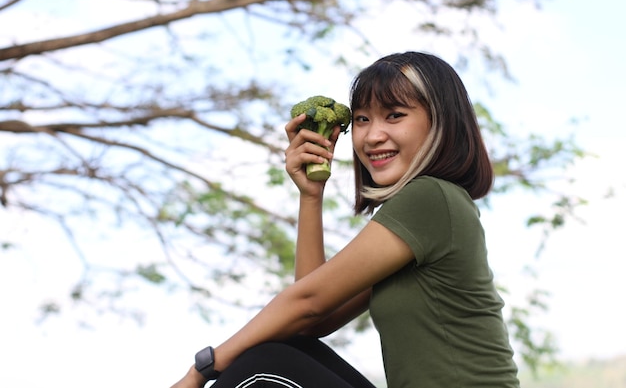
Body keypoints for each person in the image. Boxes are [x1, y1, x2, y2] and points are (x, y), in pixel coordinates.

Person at [170, 51, 520, 388]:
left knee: (261, 366)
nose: (371, 136)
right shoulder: (431, 207)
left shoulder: (430, 197)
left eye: (395, 115)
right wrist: (311, 196)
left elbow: (308, 303)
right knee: (284, 348)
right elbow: (311, 320)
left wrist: (201, 370)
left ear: (440, 120)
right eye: (362, 119)